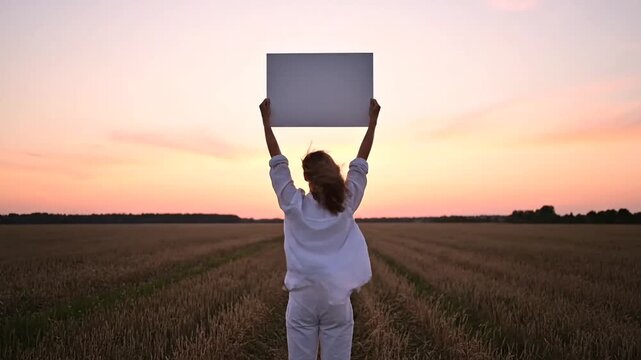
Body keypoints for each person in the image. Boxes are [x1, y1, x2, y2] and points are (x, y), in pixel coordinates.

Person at [259, 97, 381, 360]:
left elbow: (277, 161)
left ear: (306, 177)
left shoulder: (293, 204)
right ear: (334, 174)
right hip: (336, 301)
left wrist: (266, 123)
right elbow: (361, 161)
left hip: (302, 301)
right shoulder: (346, 202)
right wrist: (372, 123)